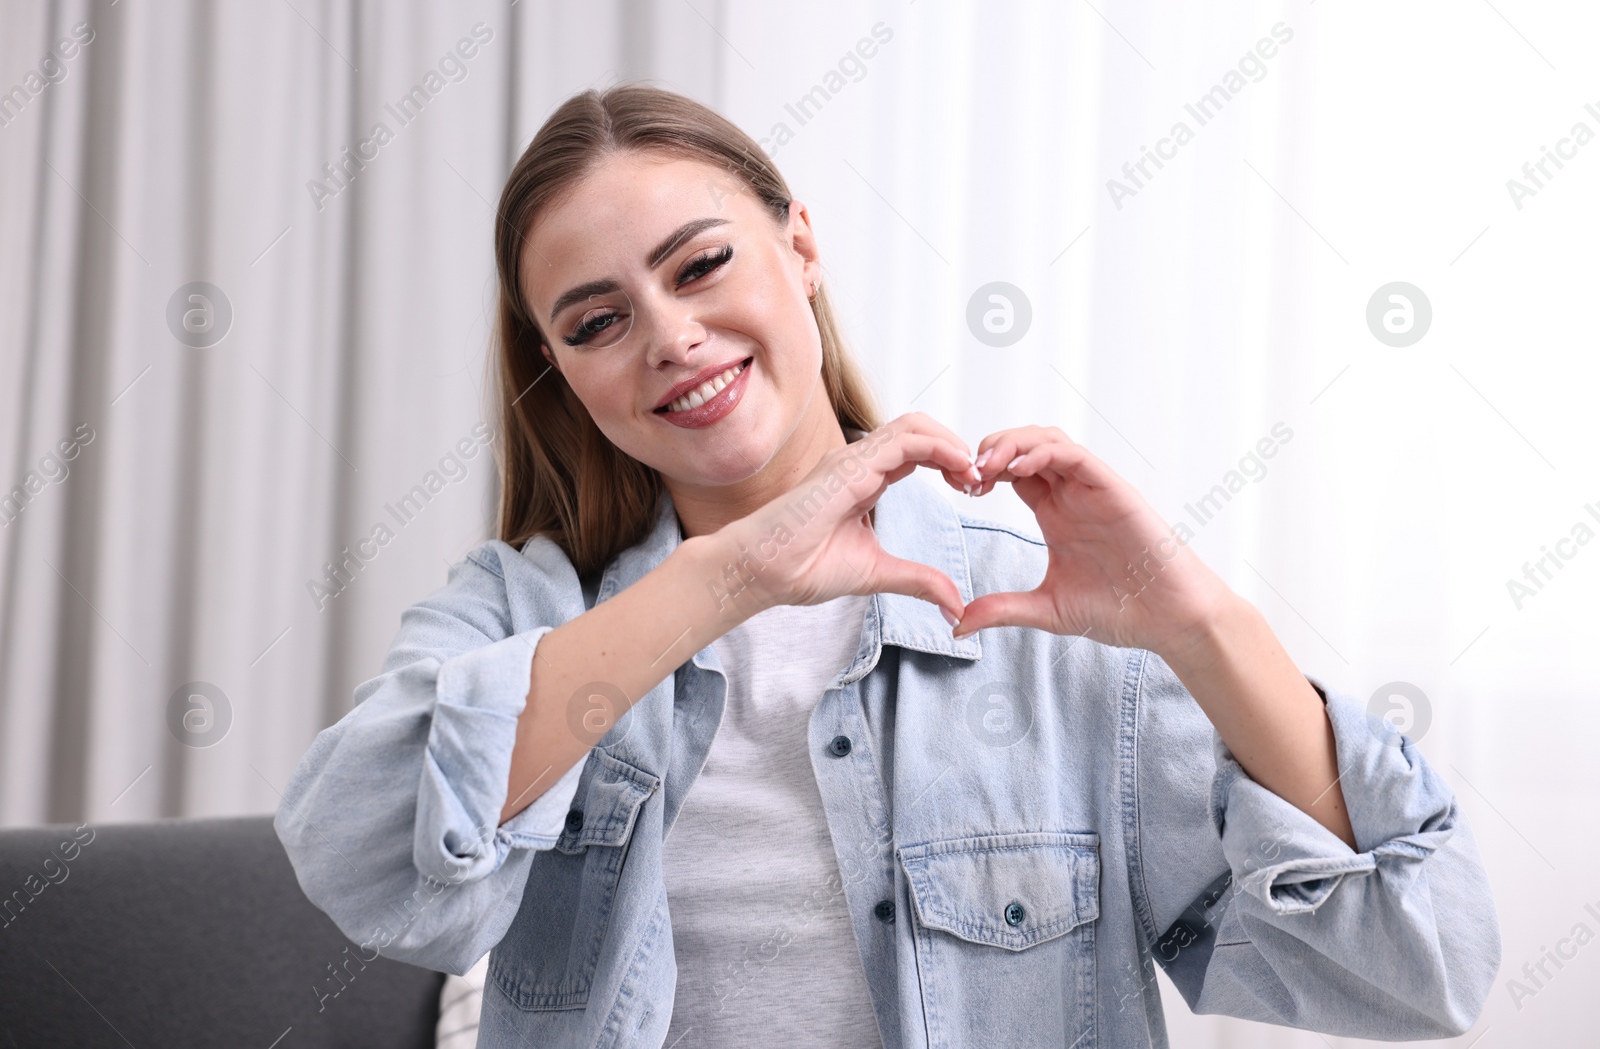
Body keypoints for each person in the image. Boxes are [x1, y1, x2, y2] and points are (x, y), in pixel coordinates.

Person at [274, 83, 1500, 1049]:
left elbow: (1418, 963)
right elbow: (367, 862)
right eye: (596, 321)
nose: (670, 335)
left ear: (798, 247)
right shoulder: (522, 610)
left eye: (699, 264)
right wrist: (729, 577)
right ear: (560, 369)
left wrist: (1201, 626)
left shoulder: (1043, 622)